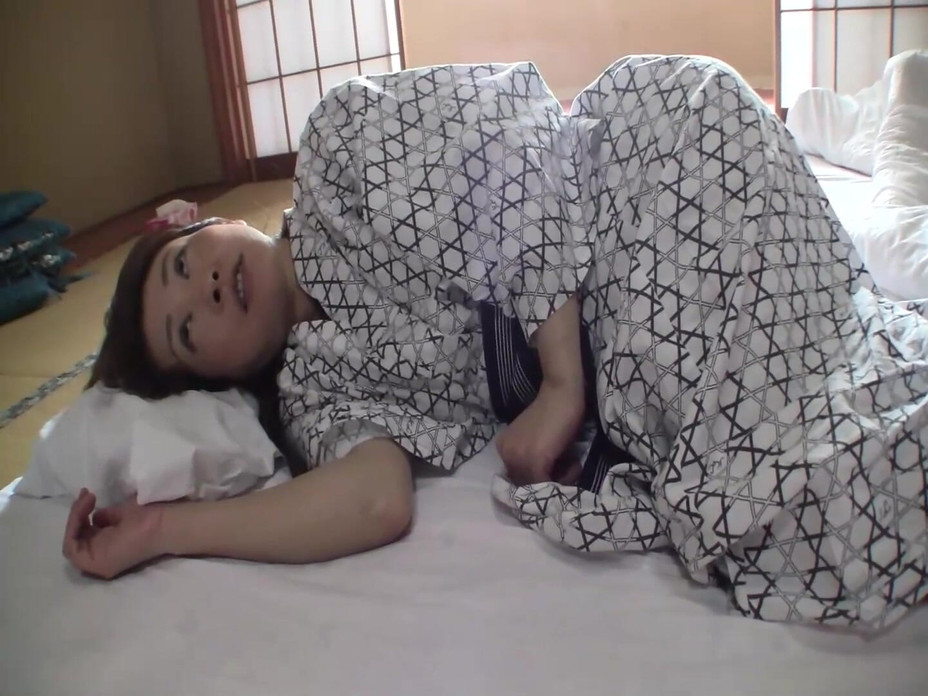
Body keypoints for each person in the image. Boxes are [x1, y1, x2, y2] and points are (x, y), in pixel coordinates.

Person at [61, 55, 927, 629]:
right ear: (216, 377)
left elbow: (506, 152)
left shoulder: (337, 147)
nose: (206, 289)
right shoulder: (316, 393)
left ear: (207, 227)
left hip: (642, 161)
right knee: (800, 499)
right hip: (629, 323)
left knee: (797, 463)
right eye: (187, 329)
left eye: (184, 263)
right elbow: (374, 502)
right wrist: (164, 530)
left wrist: (561, 385)